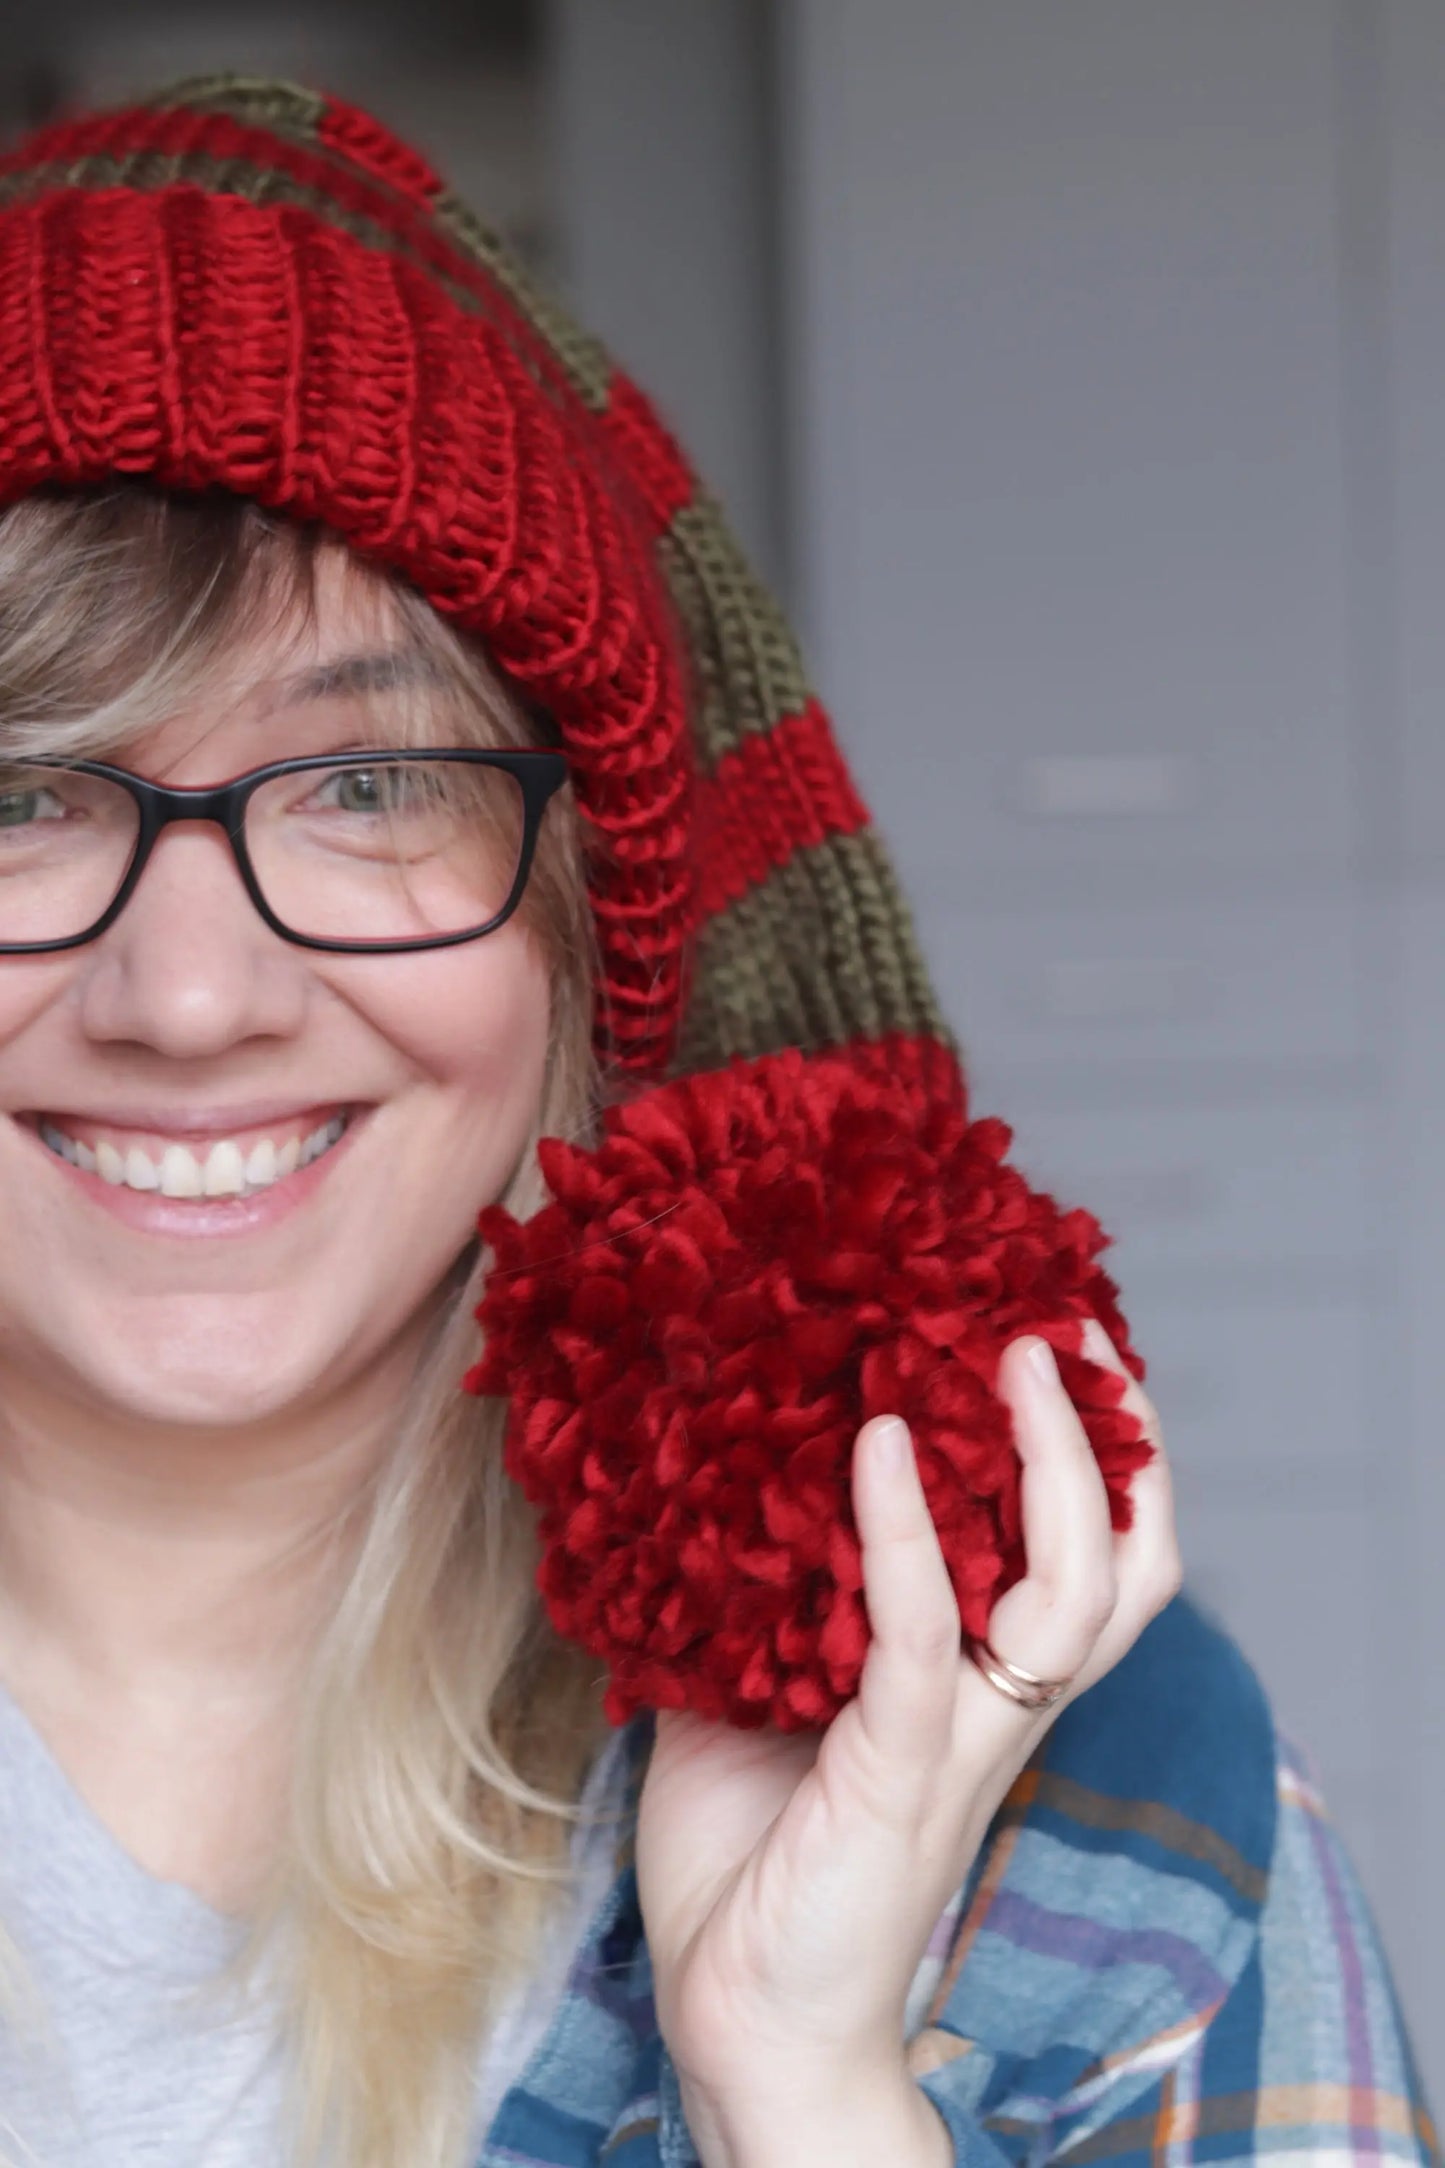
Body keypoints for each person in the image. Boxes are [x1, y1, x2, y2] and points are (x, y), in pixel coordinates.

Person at [0, 70, 1428, 2168]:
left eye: (370, 786)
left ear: (589, 934)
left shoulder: (1100, 1811)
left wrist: (804, 2095)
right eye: (25, 792)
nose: (191, 996)